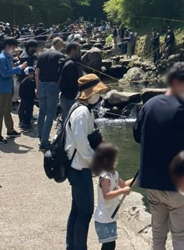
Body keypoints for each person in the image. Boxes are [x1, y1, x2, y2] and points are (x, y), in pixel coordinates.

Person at [133, 62, 184, 250]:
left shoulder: (149, 104)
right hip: (177, 185)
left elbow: (138, 136)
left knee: (158, 233)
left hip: (152, 183)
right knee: (180, 235)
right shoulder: (183, 110)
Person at [65, 74, 108, 250]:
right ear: (89, 93)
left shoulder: (79, 108)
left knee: (77, 209)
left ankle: (72, 245)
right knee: (85, 212)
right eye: (97, 92)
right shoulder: (82, 112)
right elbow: (82, 144)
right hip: (79, 167)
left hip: (76, 166)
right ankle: (78, 246)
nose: (99, 96)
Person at [92, 143, 132, 250]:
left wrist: (138, 178)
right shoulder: (105, 176)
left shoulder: (115, 174)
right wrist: (122, 191)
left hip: (110, 217)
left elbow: (124, 185)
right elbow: (106, 195)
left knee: (110, 245)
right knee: (109, 246)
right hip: (103, 218)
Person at [0, 38, 27, 144]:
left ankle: (10, 130)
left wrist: (17, 67)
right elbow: (5, 73)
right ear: (8, 46)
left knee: (7, 109)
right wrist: (19, 68)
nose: (15, 49)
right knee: (1, 111)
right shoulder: (2, 58)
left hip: (7, 86)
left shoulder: (7, 57)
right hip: (3, 87)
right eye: (14, 47)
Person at [36, 37, 65, 150]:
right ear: (57, 44)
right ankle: (44, 142)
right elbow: (63, 73)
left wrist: (37, 87)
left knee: (42, 112)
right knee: (51, 114)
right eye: (62, 44)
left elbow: (37, 72)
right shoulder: (59, 56)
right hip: (52, 86)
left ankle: (41, 135)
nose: (62, 47)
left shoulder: (42, 55)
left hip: (41, 85)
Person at [59, 42, 84, 125]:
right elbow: (71, 82)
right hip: (69, 98)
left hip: (66, 97)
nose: (79, 52)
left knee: (67, 122)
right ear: (72, 50)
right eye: (78, 50)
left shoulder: (68, 62)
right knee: (68, 123)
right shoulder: (70, 64)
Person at [18, 67, 36, 131]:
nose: (32, 75)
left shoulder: (30, 81)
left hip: (29, 98)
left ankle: (25, 122)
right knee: (26, 111)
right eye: (31, 73)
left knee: (28, 111)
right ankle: (25, 124)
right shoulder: (26, 82)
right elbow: (21, 92)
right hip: (26, 99)